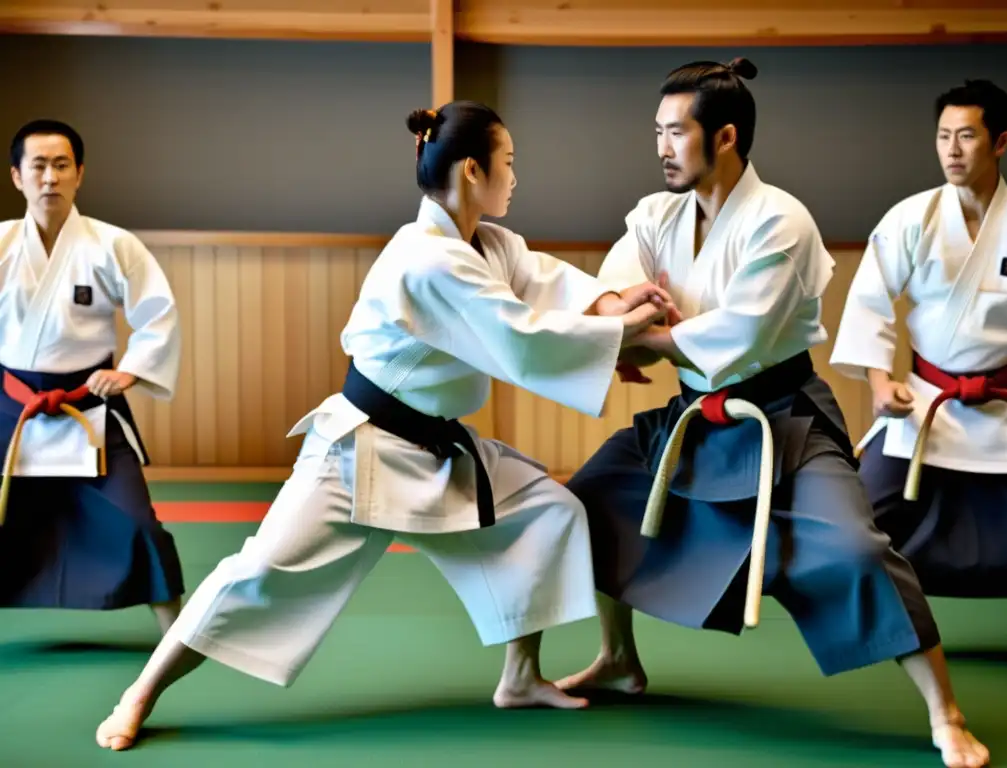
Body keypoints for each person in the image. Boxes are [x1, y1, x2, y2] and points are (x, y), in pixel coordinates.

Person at [95, 100, 677, 751]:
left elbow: (545, 285)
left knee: (549, 511)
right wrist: (622, 333)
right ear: (469, 171)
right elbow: (522, 337)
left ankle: (520, 676)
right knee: (256, 576)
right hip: (358, 453)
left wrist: (609, 304)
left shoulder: (484, 241)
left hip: (439, 451)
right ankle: (140, 692)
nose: (515, 177)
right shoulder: (427, 258)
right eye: (507, 164)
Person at [555, 60, 990, 768]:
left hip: (782, 418)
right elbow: (609, 289)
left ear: (724, 136)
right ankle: (617, 658)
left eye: (676, 132)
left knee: (856, 550)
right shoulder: (656, 215)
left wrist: (646, 335)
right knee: (588, 503)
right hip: (694, 417)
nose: (662, 147)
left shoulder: (781, 221)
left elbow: (737, 337)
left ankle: (946, 711)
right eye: (657, 132)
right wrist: (619, 316)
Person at [830, 79, 1007, 600]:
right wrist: (878, 381)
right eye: (943, 137)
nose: (952, 151)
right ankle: (888, 615)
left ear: (1000, 142)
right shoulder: (911, 217)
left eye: (966, 136)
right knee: (862, 517)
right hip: (928, 401)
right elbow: (869, 302)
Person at [0, 119, 184, 634]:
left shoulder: (113, 245)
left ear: (79, 173)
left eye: (61, 165)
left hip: (88, 404)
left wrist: (130, 370)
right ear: (17, 176)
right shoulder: (1, 244)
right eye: (38, 165)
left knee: (137, 520)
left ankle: (179, 634)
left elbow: (158, 314)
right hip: (11, 406)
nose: (50, 177)